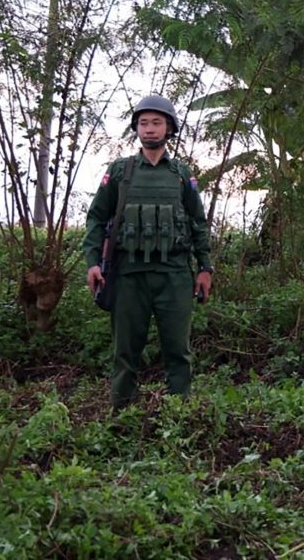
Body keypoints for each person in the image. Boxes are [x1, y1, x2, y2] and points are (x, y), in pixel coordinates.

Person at [83, 95, 213, 409]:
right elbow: (97, 218)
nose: (150, 129)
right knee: (125, 352)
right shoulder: (119, 172)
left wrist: (205, 267)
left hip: (174, 274)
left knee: (178, 352)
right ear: (136, 128)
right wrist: (92, 264)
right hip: (129, 275)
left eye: (156, 123)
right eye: (144, 123)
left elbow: (197, 222)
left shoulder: (181, 174)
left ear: (169, 128)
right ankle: (122, 417)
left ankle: (179, 417)